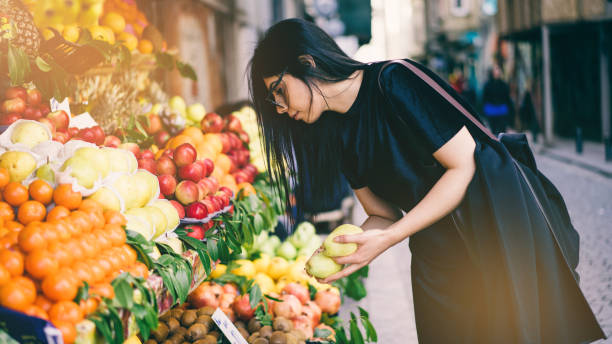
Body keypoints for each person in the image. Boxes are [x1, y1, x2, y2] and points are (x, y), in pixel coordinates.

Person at [248, 18, 604, 343]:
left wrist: (388, 238)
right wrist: (353, 251)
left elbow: (463, 166)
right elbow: (383, 214)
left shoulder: (394, 80)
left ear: (307, 64)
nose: (280, 108)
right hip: (436, 259)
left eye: (278, 91)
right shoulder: (339, 135)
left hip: (493, 234)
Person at [482, 65, 514, 135]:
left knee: (502, 131)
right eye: (495, 70)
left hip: (501, 110)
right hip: (491, 110)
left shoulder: (503, 85)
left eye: (498, 70)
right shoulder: (487, 85)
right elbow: (485, 98)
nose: (497, 72)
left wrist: (509, 110)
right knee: (493, 130)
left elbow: (507, 98)